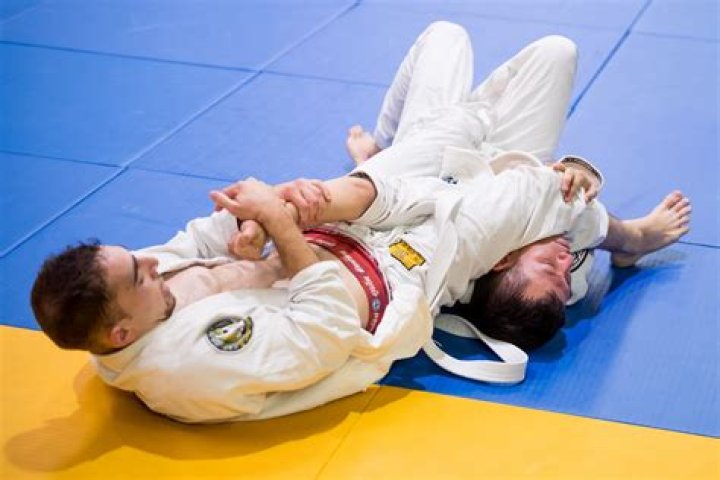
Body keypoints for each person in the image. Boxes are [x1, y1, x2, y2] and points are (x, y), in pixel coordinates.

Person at [30, 23, 689, 423]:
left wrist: (249, 225)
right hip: (407, 264)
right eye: (138, 275)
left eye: (134, 257)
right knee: (542, 182)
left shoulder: (146, 296)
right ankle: (630, 240)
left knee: (446, 40)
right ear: (121, 331)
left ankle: (384, 156)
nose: (152, 261)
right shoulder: (190, 368)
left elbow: (203, 241)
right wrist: (279, 222)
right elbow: (325, 326)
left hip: (360, 215)